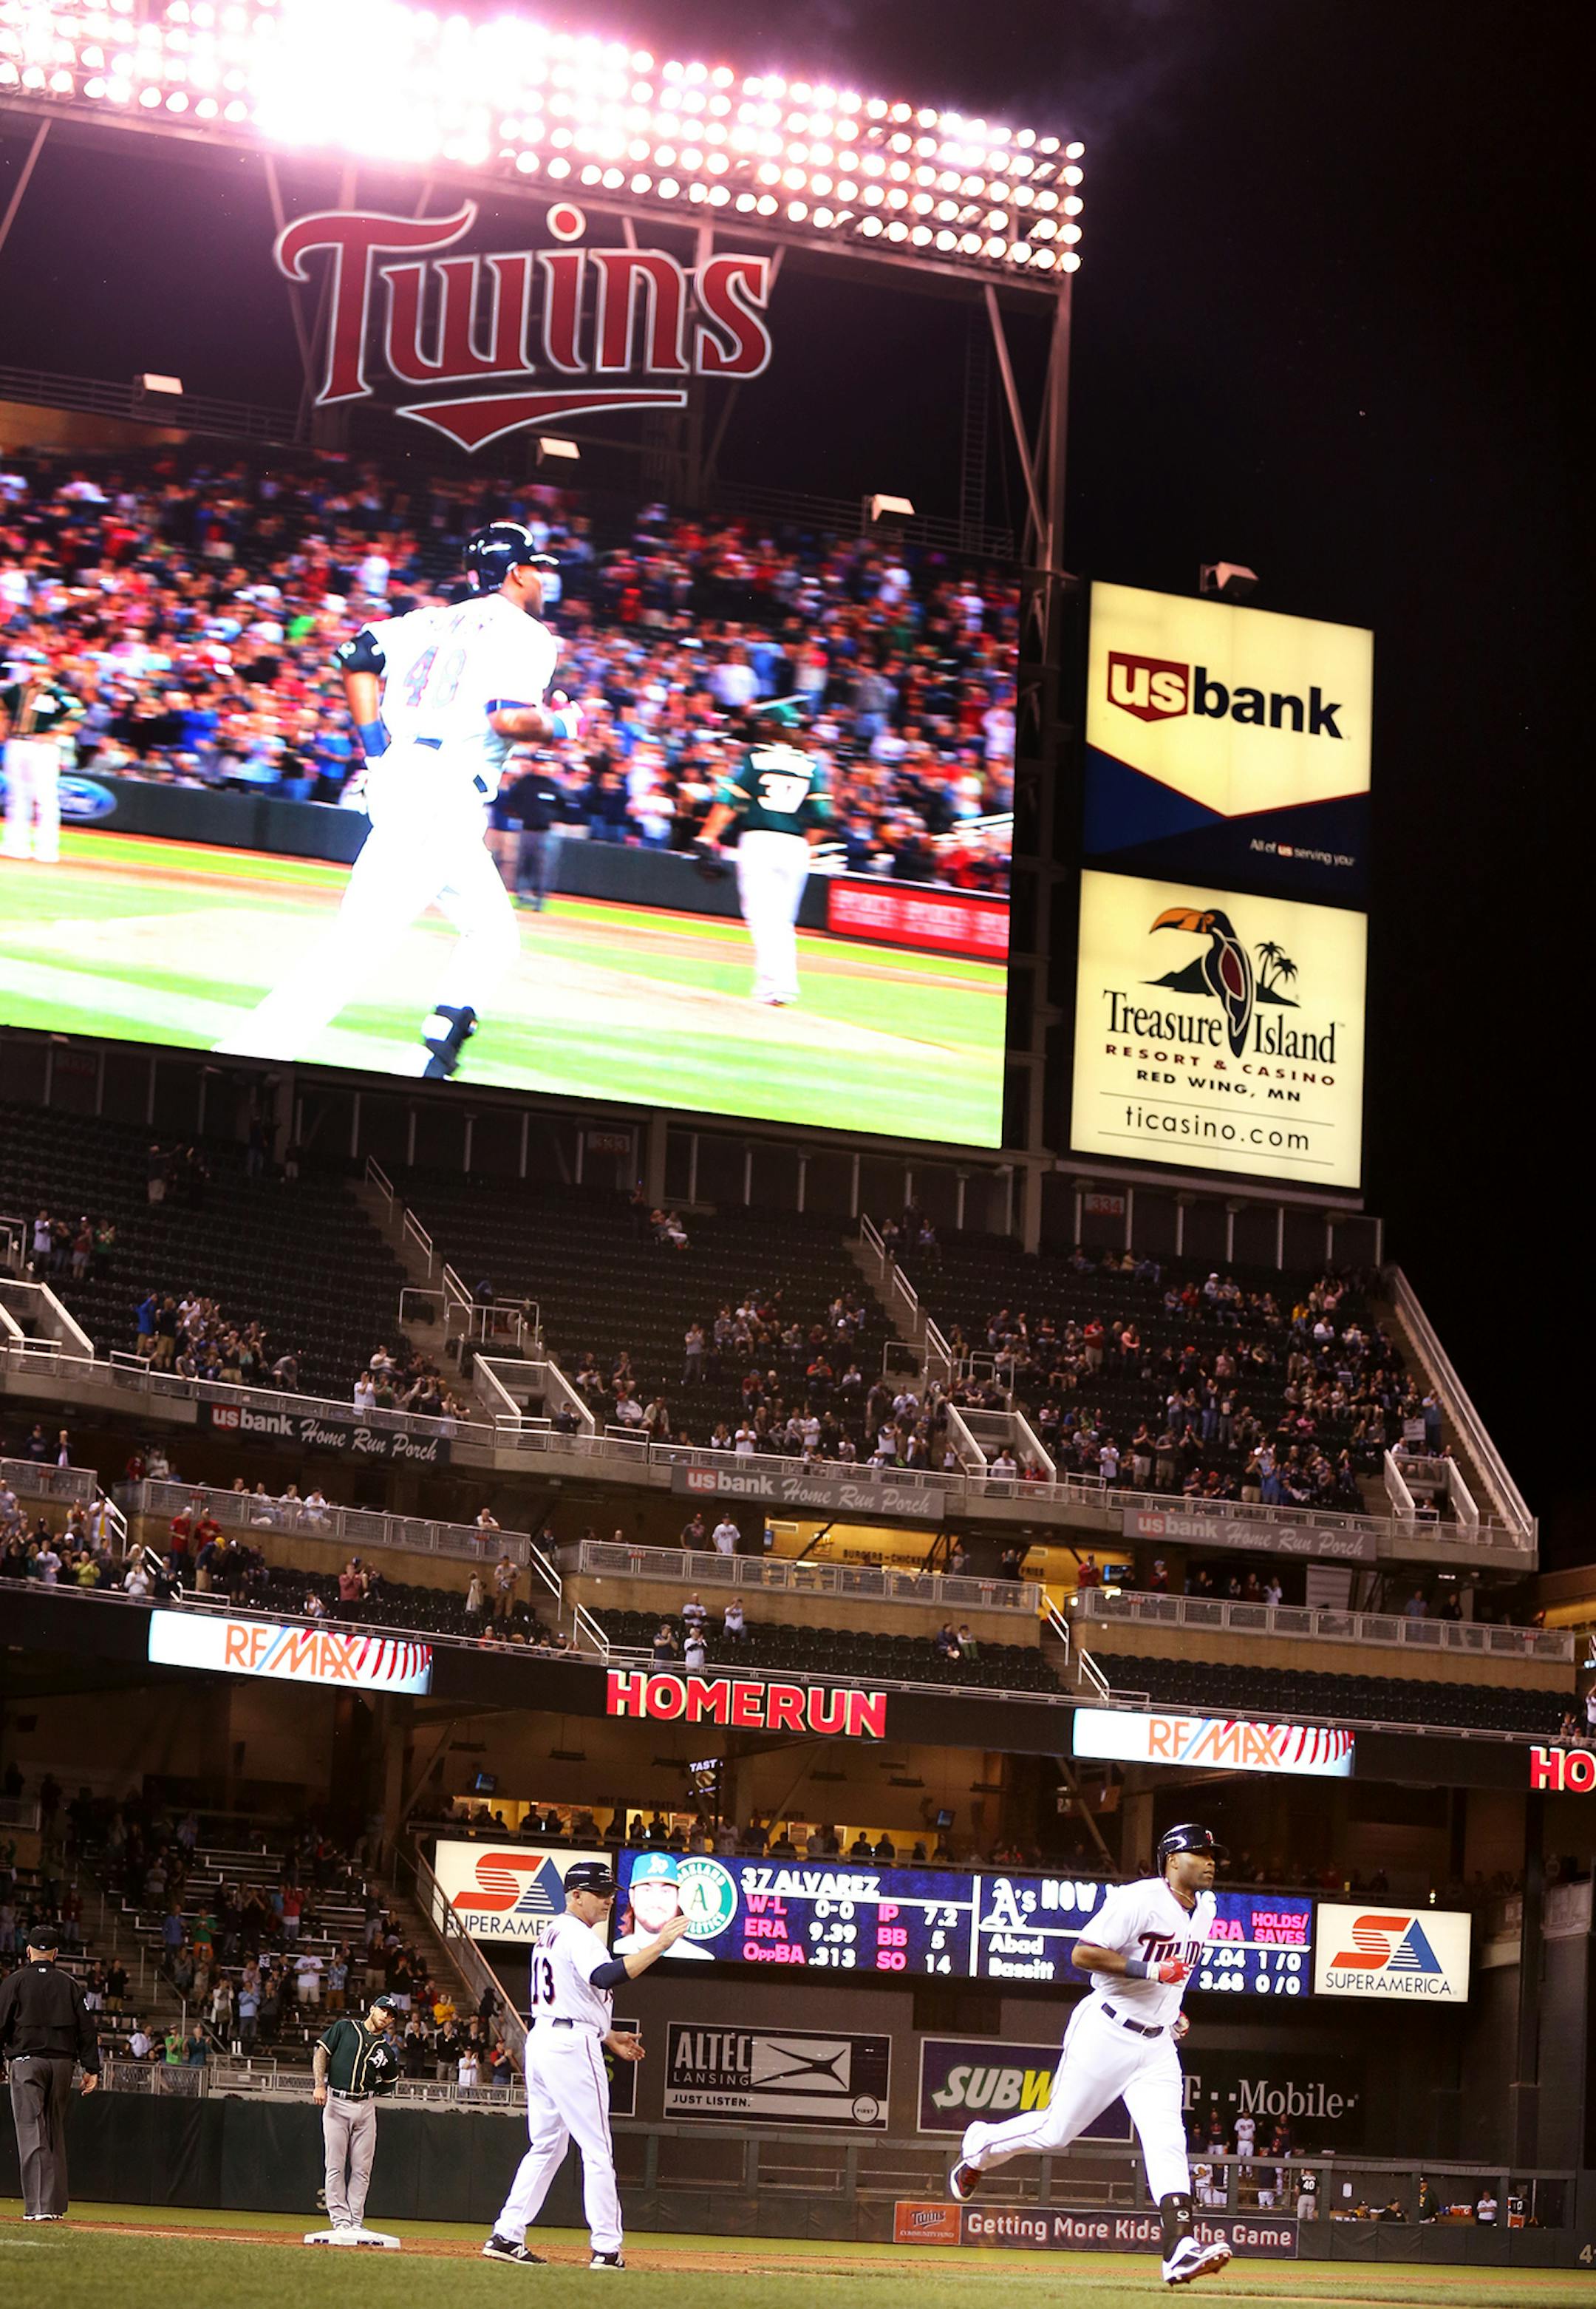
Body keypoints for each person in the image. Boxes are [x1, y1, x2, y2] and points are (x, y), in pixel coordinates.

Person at [219, 521, 582, 1078]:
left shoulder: (429, 619)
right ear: (516, 572)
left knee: (493, 933)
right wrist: (562, 724)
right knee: (362, 938)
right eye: (537, 568)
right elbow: (508, 719)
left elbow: (356, 656)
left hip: (415, 779)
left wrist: (373, 749)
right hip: (442, 789)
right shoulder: (526, 633)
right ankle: (248, 1056)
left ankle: (433, 1057)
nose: (542, 579)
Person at [948, 1824, 1233, 2291]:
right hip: (1107, 2029)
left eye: (1213, 1852)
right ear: (1172, 1860)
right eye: (1200, 1852)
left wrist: (1173, 2010)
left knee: (1167, 2141)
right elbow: (1082, 1954)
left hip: (1158, 2045)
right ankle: (979, 2145)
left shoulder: (1207, 1910)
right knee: (1055, 2130)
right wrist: (1149, 1969)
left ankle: (1179, 2248)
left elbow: (1174, 1972)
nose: (1211, 1860)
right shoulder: (1138, 1900)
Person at [482, 1858, 689, 2268]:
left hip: (543, 2039)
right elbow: (605, 1977)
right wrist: (659, 1946)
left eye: (611, 1893)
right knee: (596, 2150)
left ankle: (507, 2234)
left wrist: (607, 2034)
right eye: (601, 1893)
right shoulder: (578, 1933)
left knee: (547, 2146)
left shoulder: (552, 1933)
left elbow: (573, 1994)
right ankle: (607, 2248)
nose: (609, 1900)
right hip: (570, 2046)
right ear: (575, 1895)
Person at [694, 702, 831, 1007]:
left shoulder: (756, 758)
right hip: (795, 845)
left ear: (769, 726)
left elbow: (729, 801)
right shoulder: (812, 765)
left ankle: (772, 987)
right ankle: (783, 985)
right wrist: (806, 848)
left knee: (761, 916)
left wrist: (708, 835)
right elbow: (823, 816)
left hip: (760, 840)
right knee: (784, 920)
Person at [0, 1922, 100, 2220]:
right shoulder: (69, 1984)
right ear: (55, 1953)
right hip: (61, 2065)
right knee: (54, 2131)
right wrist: (91, 2067)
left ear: (28, 1950)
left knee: (32, 2131)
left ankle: (40, 2208)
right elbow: (87, 2028)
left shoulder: (14, 1982)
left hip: (27, 2062)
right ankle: (53, 2207)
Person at [312, 1992, 403, 2237]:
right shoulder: (345, 2028)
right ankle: (340, 2220)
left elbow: (391, 2081)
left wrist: (370, 2092)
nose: (387, 2016)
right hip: (336, 2103)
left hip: (364, 2107)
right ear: (373, 2008)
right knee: (335, 2165)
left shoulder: (386, 2051)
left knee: (362, 2169)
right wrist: (320, 2084)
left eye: (392, 2015)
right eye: (384, 2010)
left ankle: (355, 2221)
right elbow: (321, 2052)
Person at [1, 650, 83, 863]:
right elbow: (4, 714)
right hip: (17, 743)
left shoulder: (55, 692)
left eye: (36, 664)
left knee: (45, 797)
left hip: (42, 747)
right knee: (17, 796)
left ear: (47, 668)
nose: (31, 668)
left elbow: (76, 716)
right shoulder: (15, 691)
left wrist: (54, 734)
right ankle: (15, 845)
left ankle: (46, 849)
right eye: (28, 664)